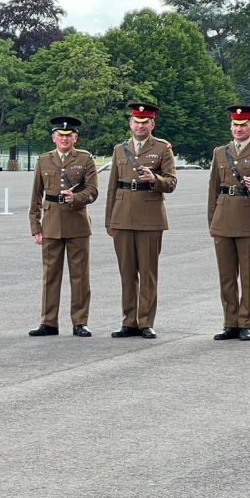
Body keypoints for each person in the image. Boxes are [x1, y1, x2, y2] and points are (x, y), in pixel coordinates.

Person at [105, 102, 177, 339]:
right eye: (136, 121)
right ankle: (129, 321)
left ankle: (146, 321)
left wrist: (154, 178)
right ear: (130, 123)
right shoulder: (120, 149)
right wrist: (109, 220)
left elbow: (171, 183)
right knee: (126, 273)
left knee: (147, 273)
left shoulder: (163, 148)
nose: (140, 125)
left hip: (150, 217)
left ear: (152, 124)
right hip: (123, 217)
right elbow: (112, 187)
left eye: (145, 122)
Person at [207, 105, 250, 341]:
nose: (238, 129)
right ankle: (230, 322)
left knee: (248, 275)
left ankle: (246, 322)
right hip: (223, 220)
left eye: (243, 125)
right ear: (231, 126)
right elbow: (213, 191)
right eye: (235, 125)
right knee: (226, 276)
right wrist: (212, 222)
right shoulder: (220, 152)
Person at [27, 116, 99, 337]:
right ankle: (48, 322)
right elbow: (36, 196)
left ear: (75, 138)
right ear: (53, 138)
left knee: (79, 276)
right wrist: (35, 226)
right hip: (51, 223)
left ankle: (80, 322)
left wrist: (76, 198)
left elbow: (93, 191)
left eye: (69, 136)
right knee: (50, 275)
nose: (64, 139)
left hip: (77, 223)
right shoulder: (44, 160)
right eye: (60, 135)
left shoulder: (86, 159)